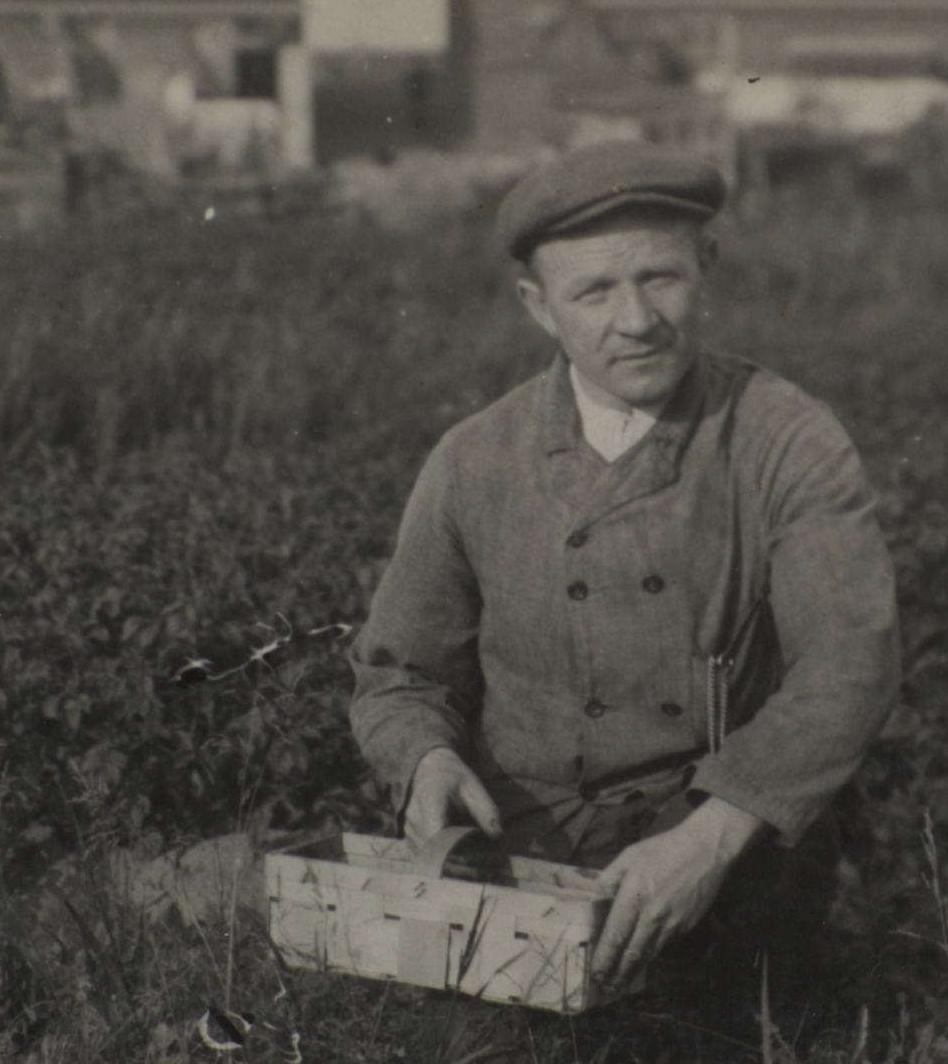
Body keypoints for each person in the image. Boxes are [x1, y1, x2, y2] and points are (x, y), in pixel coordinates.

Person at [348, 141, 899, 1004]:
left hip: (725, 845)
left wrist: (709, 840)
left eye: (660, 277)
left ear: (707, 266)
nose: (636, 320)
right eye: (595, 292)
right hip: (526, 849)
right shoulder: (473, 460)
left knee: (739, 1049)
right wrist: (425, 761)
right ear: (539, 307)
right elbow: (400, 673)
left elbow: (848, 665)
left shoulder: (786, 439)